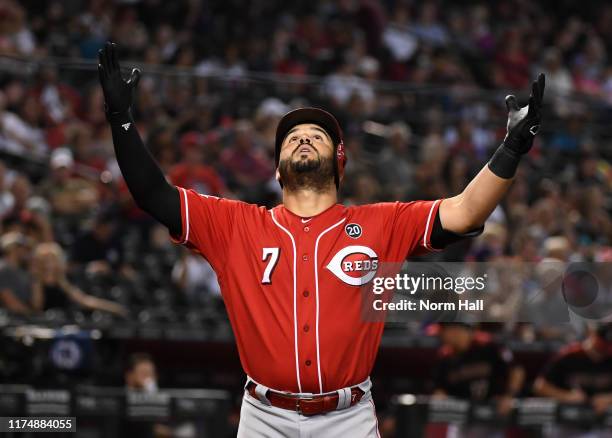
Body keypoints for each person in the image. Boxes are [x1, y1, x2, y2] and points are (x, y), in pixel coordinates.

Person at [98, 41, 545, 437]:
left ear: (340, 162)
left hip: (347, 418)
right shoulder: (234, 224)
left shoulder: (383, 223)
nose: (304, 139)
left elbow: (465, 211)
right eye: (292, 137)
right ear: (276, 169)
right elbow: (152, 194)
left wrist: (511, 148)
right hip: (263, 416)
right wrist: (120, 120)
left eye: (317, 136)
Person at [431, 323, 525, 438]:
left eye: (443, 332)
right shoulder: (445, 356)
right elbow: (439, 389)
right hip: (463, 419)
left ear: (454, 330)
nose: (441, 337)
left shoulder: (488, 345)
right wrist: (441, 398)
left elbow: (517, 370)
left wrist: (509, 396)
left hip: (493, 414)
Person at [533, 323, 612, 438]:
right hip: (566, 421)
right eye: (602, 342)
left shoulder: (610, 357)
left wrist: (608, 398)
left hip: (601, 423)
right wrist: (566, 396)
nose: (604, 347)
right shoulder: (570, 355)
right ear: (592, 334)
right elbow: (539, 386)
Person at [30, 241, 128, 316]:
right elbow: (37, 307)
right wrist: (39, 279)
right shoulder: (36, 281)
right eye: (46, 260)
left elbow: (84, 301)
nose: (49, 264)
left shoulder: (62, 281)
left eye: (52, 259)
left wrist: (115, 308)